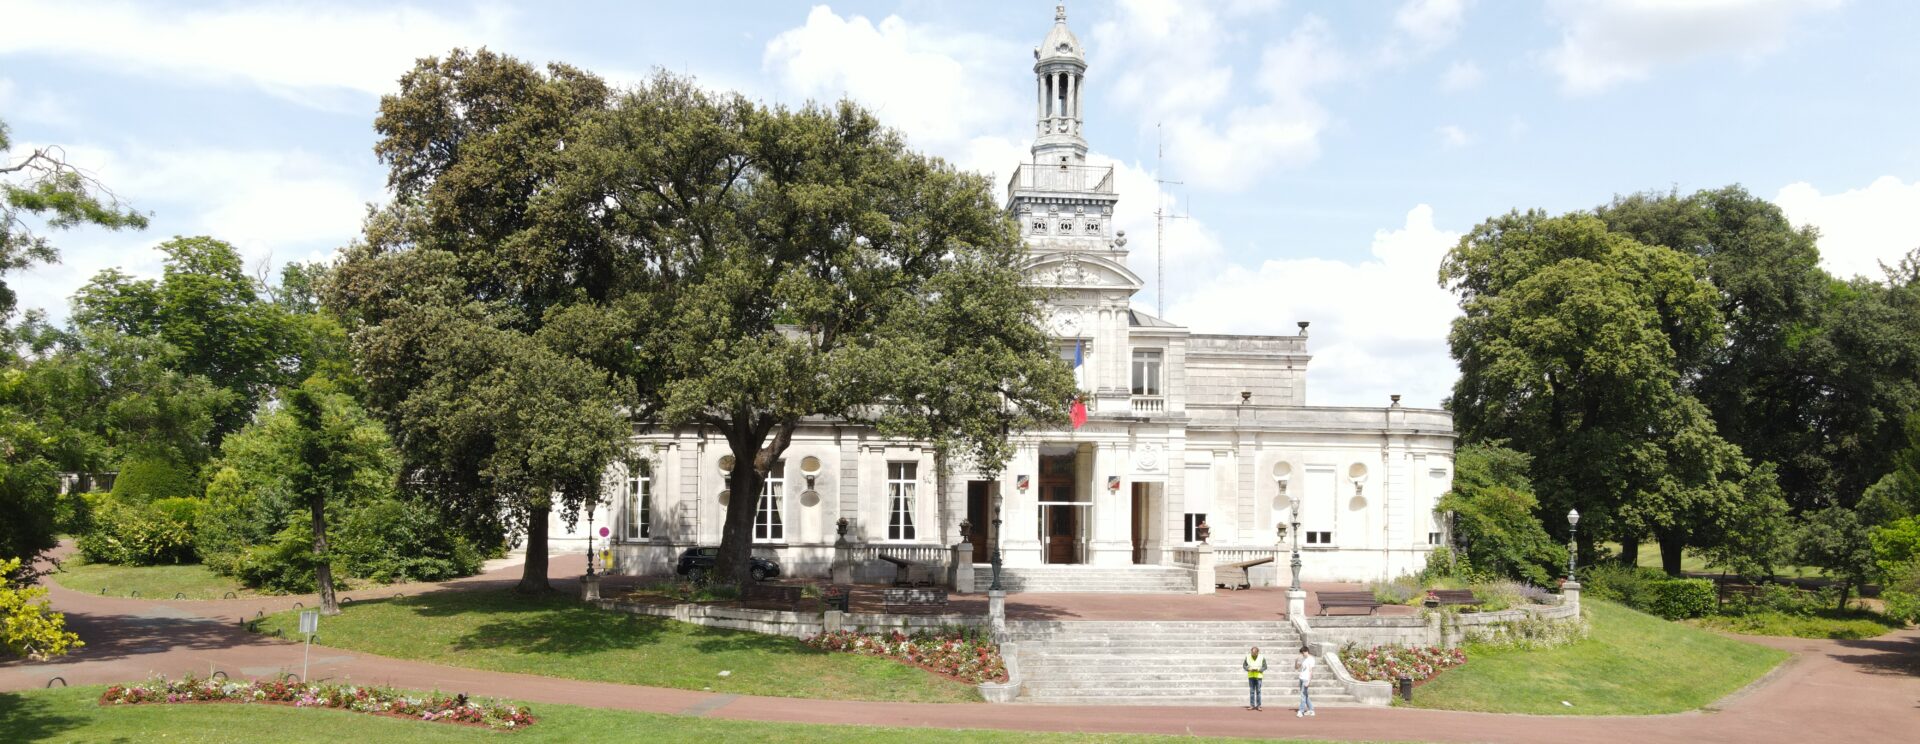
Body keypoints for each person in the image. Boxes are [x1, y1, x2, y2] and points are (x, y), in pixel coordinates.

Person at [1243, 646, 1268, 711]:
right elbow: (1244, 665)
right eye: (1252, 653)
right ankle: (1252, 705)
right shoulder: (1248, 657)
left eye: (1254, 653)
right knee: (1252, 691)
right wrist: (1248, 669)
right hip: (1251, 676)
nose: (1253, 654)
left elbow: (1265, 667)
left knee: (1258, 691)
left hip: (1258, 676)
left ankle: (1259, 706)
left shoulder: (1262, 657)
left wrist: (1259, 670)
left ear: (1257, 652)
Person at [1296, 646, 1317, 717]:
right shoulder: (1302, 658)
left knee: (1303, 695)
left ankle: (1301, 711)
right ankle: (1311, 710)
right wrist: (1296, 661)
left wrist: (1309, 681)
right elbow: (1297, 667)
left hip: (1306, 679)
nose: (1302, 654)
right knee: (1305, 695)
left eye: (1303, 653)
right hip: (1301, 678)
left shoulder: (1311, 659)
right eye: (1301, 653)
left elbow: (1311, 671)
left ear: (1306, 651)